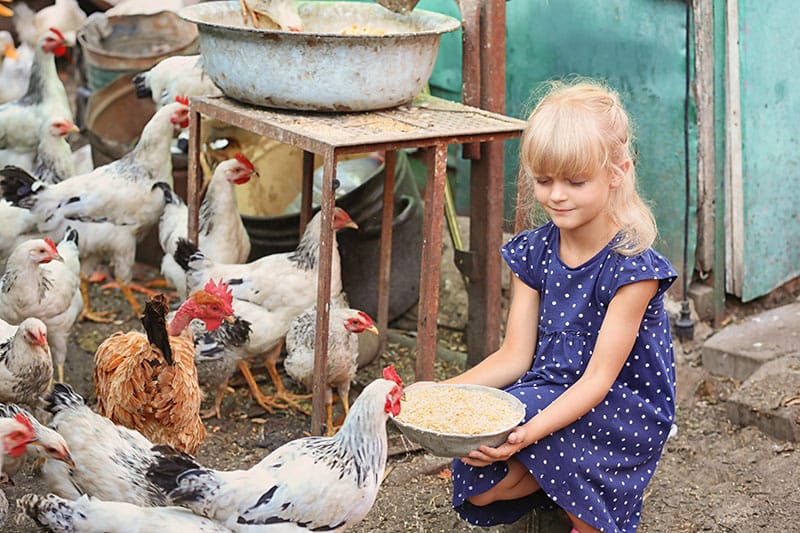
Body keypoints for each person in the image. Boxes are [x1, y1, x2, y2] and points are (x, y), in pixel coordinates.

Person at [445, 79, 678, 532]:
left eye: (575, 181)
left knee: (547, 443)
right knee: (477, 472)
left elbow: (597, 380)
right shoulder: (533, 252)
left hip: (621, 402)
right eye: (543, 180)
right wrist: (442, 396)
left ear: (617, 173)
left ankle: (587, 519)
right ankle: (553, 486)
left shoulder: (633, 269)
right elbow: (514, 355)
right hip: (550, 386)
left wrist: (527, 433)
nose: (556, 195)